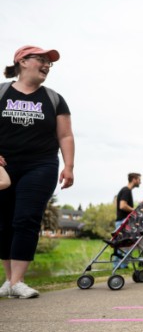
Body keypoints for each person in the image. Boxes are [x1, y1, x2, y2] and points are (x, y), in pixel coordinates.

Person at [0, 45, 75, 299]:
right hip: (3, 168)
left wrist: (69, 166)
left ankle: (18, 281)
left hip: (40, 165)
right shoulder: (1, 92)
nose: (46, 65)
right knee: (4, 222)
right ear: (22, 61)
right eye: (41, 60)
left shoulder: (54, 98)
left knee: (27, 218)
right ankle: (9, 280)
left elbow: (65, 135)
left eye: (49, 62)